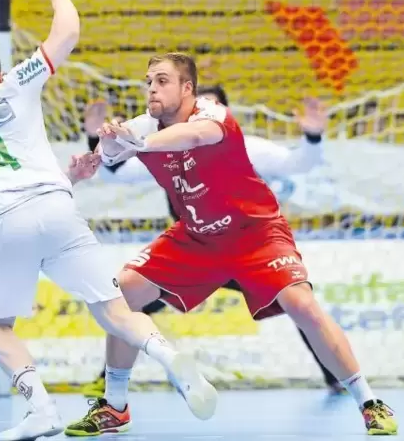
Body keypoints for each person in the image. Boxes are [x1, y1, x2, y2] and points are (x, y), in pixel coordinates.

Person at [0, 0, 216, 441]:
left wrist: (66, 174)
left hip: (8, 221)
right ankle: (170, 358)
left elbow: (1, 174)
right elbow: (68, 30)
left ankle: (41, 411)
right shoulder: (13, 87)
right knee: (113, 311)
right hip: (58, 209)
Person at [64, 52, 398, 437]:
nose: (152, 88)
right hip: (196, 238)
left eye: (162, 81)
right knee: (120, 295)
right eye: (149, 81)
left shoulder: (213, 115)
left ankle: (369, 401)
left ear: (187, 89)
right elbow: (111, 161)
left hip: (254, 235)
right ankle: (115, 407)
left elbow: (191, 136)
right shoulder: (143, 125)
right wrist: (103, 144)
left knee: (301, 304)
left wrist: (136, 140)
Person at [80, 86, 344, 396]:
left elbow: (298, 164)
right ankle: (110, 383)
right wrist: (95, 140)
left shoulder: (247, 147)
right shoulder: (169, 150)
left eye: (212, 108)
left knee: (298, 305)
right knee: (134, 304)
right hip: (194, 255)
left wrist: (312, 137)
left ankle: (335, 376)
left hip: (247, 255)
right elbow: (117, 172)